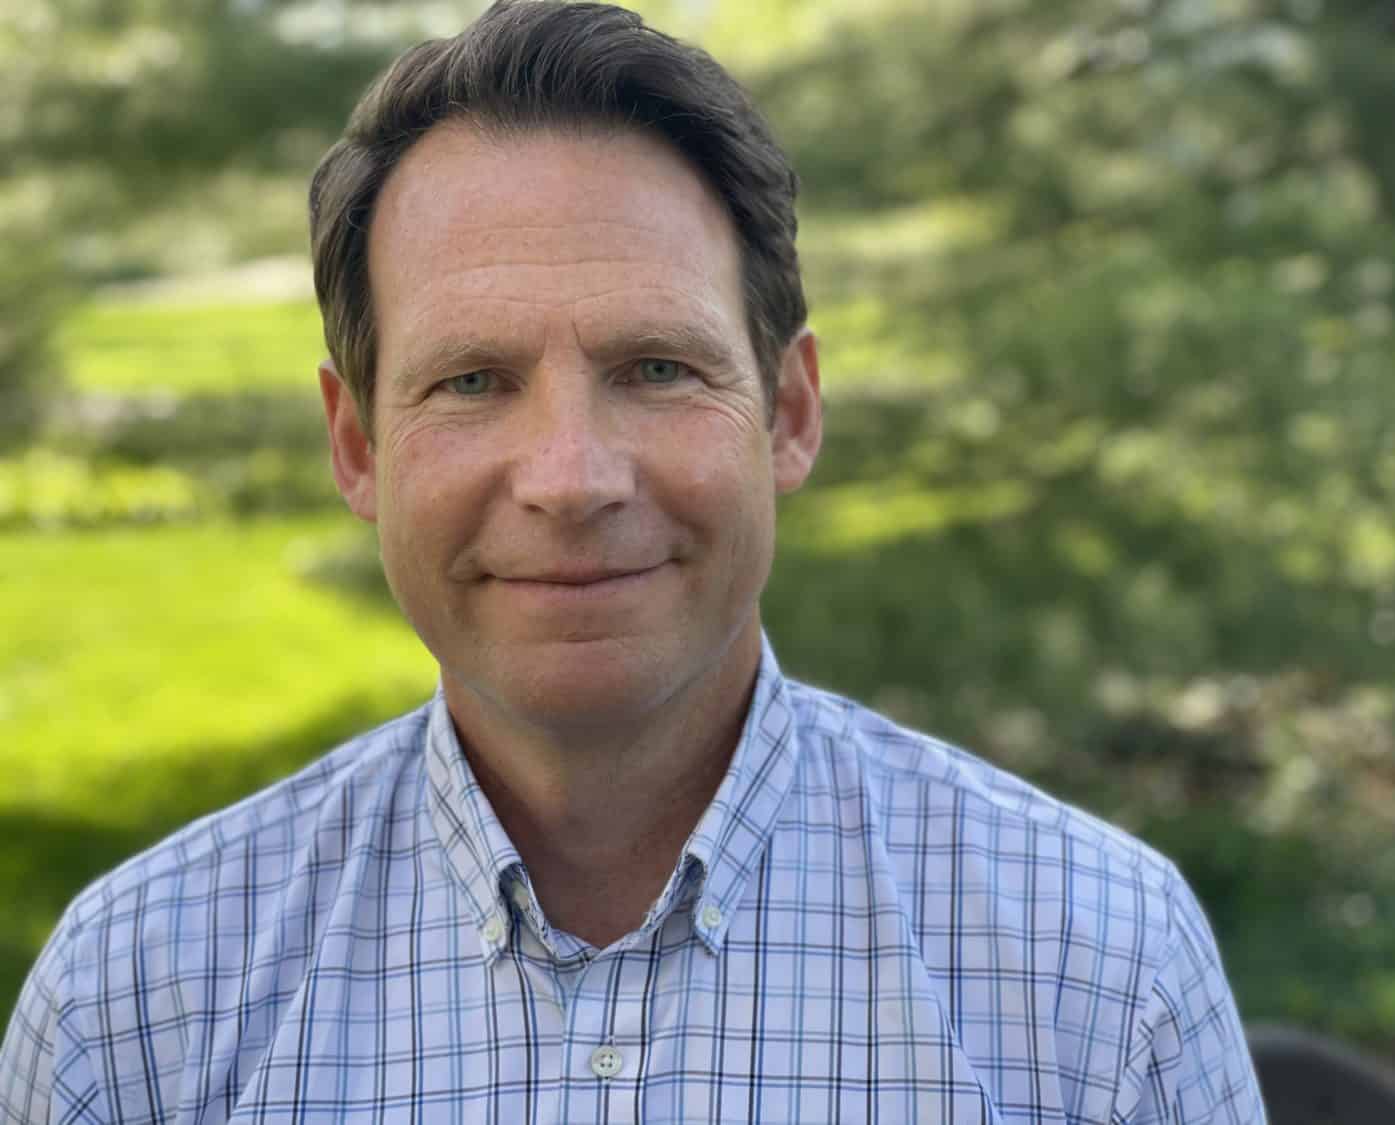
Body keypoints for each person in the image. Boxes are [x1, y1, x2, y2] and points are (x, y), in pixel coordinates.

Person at [0, 2, 1264, 1120]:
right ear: (357, 445)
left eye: (656, 368)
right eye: (473, 380)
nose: (571, 478)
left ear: (789, 413)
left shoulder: (1098, 973)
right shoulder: (135, 1012)